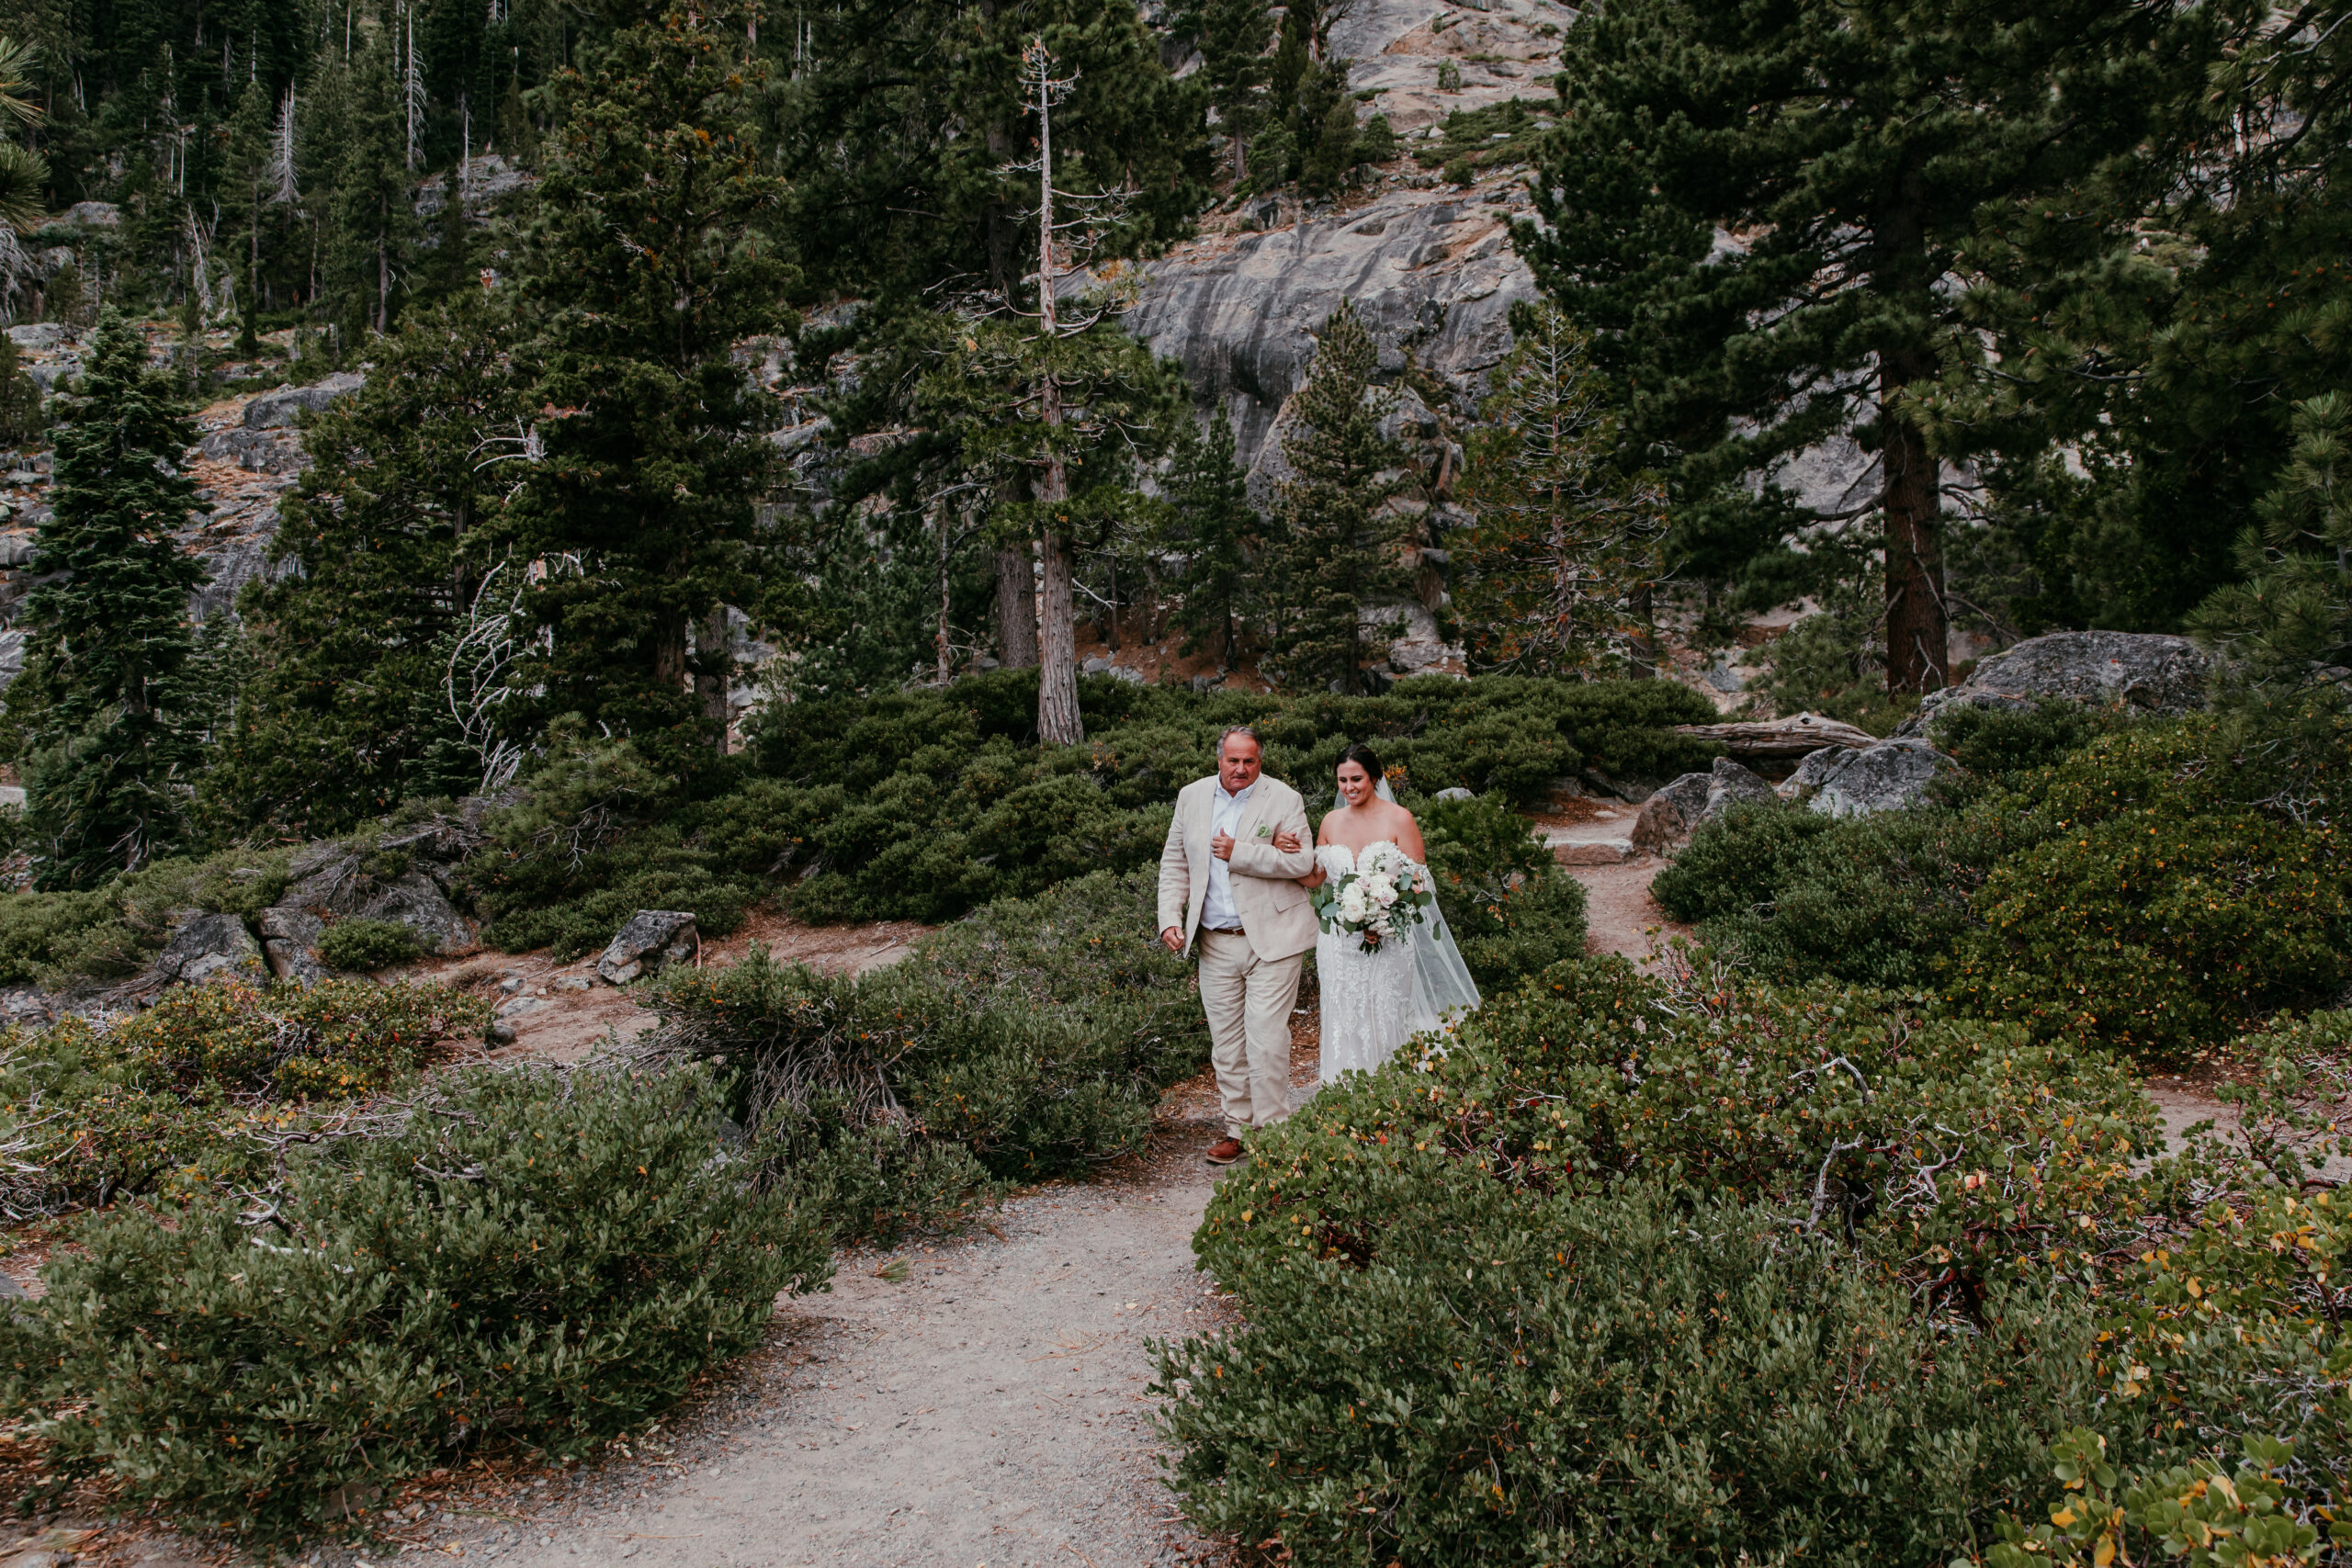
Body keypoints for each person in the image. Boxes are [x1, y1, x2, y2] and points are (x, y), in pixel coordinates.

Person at [1157, 726, 1317, 1166]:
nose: (1241, 769)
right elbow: (1174, 861)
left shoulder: (1284, 798)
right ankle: (1238, 1130)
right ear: (1219, 760)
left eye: (1249, 761)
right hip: (1214, 942)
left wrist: (1241, 851)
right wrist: (1171, 917)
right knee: (1226, 1044)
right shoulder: (1192, 796)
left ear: (1260, 761)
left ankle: (1276, 1135)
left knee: (1265, 1040)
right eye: (1233, 760)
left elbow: (1303, 862)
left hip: (1274, 940)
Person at [1297, 743, 1483, 1083]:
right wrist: (1282, 858)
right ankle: (1343, 1099)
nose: (1349, 788)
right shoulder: (1330, 821)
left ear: (1375, 777)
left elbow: (1420, 881)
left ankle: (1392, 1098)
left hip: (1389, 940)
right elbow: (1316, 878)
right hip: (1338, 945)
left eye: (1357, 779)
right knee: (1343, 1017)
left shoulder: (1399, 818)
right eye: (1342, 781)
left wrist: (1381, 913)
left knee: (1385, 1016)